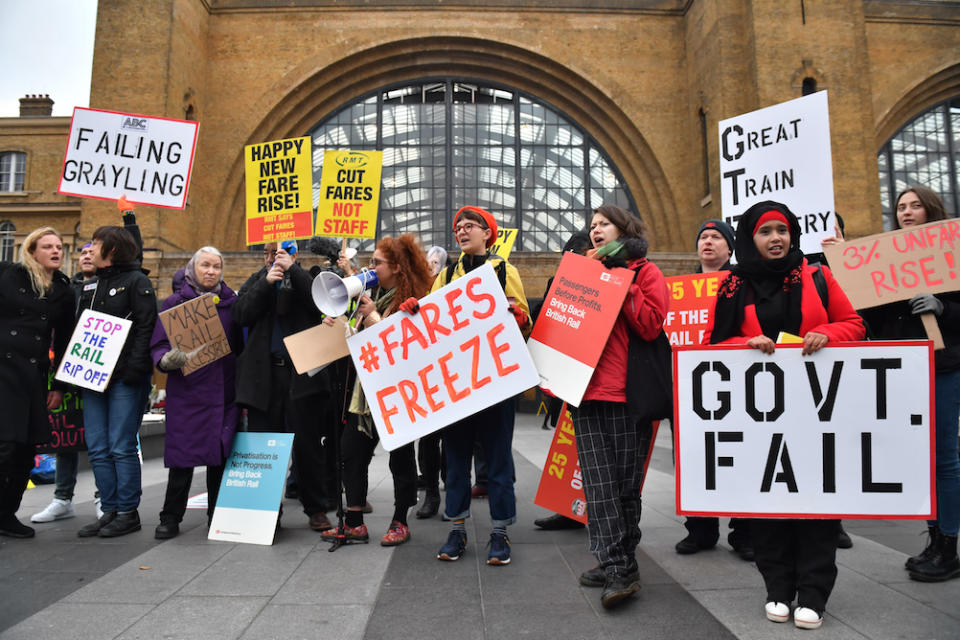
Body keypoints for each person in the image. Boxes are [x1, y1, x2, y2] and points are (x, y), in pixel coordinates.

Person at [705, 200, 865, 630]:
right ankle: (777, 587)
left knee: (816, 503)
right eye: (765, 231)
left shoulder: (817, 274)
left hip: (816, 411)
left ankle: (813, 592)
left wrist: (825, 333)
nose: (776, 238)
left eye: (782, 229)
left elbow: (854, 324)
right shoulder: (732, 285)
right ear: (749, 239)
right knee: (768, 505)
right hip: (760, 416)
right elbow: (712, 345)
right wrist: (745, 345)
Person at [860, 185, 960, 582]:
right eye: (901, 206)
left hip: (942, 367)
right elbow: (874, 315)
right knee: (922, 460)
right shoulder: (887, 257)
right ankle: (935, 540)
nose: (907, 211)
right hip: (903, 368)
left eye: (916, 205)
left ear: (931, 210)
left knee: (945, 460)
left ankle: (949, 545)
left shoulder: (951, 254)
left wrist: (942, 307)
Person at [570, 204, 668, 609]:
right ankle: (615, 563)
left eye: (602, 224)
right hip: (585, 394)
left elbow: (650, 324)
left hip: (628, 396)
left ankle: (622, 560)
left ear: (623, 229)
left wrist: (620, 282)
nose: (594, 231)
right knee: (598, 485)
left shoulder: (646, 273)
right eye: (591, 226)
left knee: (625, 487)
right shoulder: (583, 272)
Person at [428, 206, 531, 565]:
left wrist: (519, 316)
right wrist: (415, 311)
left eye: (470, 226)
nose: (462, 231)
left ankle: (500, 533)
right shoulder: (445, 276)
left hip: (497, 383)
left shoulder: (506, 270)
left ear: (489, 233)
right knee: (455, 463)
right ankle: (456, 530)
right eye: (458, 227)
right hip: (458, 385)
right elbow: (430, 324)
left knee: (498, 462)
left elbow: (525, 322)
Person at [320, 234, 433, 546]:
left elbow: (397, 346)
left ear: (397, 267)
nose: (370, 268)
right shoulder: (374, 297)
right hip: (366, 396)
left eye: (376, 263)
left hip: (399, 393)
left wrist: (371, 316)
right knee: (350, 452)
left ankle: (400, 519)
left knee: (400, 458)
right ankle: (354, 521)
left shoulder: (411, 300)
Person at [233, 241, 337, 532]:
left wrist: (294, 271)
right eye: (267, 254)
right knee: (263, 447)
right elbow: (241, 314)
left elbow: (322, 304)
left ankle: (316, 508)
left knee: (307, 446)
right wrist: (267, 284)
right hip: (264, 379)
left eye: (280, 253)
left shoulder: (308, 279)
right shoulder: (257, 281)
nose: (272, 258)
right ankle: (267, 510)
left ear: (294, 255)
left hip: (301, 376)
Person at [150, 247, 243, 539]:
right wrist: (165, 360)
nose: (211, 271)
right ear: (193, 267)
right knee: (182, 458)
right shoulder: (174, 304)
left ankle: (216, 514)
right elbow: (158, 344)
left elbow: (242, 344)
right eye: (205, 265)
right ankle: (170, 516)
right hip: (188, 394)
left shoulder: (232, 304)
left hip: (223, 394)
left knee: (219, 457)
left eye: (216, 266)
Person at [675, 219, 754, 560]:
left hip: (733, 384)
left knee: (739, 457)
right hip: (690, 388)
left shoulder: (743, 284)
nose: (708, 242)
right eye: (703, 237)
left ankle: (744, 532)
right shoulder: (681, 288)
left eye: (716, 237)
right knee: (693, 459)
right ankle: (700, 529)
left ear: (730, 247)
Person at [76, 226, 158, 538]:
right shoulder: (92, 286)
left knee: (121, 446)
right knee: (97, 447)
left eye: (95, 244)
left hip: (125, 379)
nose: (90, 249)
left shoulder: (137, 282)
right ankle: (108, 509)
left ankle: (127, 512)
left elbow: (145, 327)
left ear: (111, 250)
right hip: (93, 378)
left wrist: (134, 371)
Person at [0, 227, 76, 538]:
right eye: (47, 246)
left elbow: (65, 341)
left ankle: (6, 515)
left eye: (59, 246)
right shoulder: (8, 275)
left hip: (33, 376)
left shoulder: (63, 290)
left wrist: (59, 386)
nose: (56, 251)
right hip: (2, 371)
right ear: (32, 251)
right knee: (4, 446)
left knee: (26, 448)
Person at [31, 242, 97, 524]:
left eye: (93, 252)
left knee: (98, 437)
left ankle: (102, 497)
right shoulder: (64, 289)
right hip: (65, 371)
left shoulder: (112, 286)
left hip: (96, 371)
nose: (86, 256)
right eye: (82, 253)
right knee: (65, 435)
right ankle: (62, 498)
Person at [532, 230, 591, 532]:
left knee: (596, 453)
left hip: (597, 381)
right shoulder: (557, 283)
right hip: (567, 379)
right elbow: (544, 323)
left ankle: (595, 511)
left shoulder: (612, 283)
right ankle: (570, 509)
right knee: (571, 445)